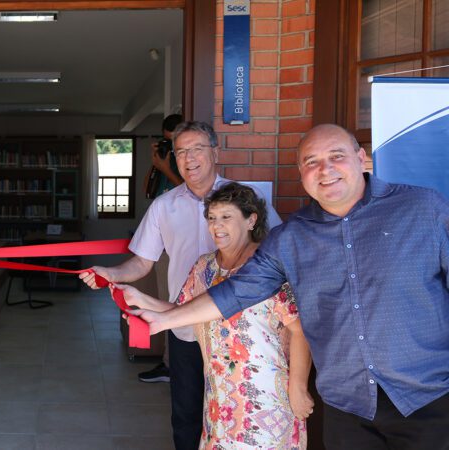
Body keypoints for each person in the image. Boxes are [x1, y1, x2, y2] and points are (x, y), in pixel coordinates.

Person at [130, 124, 449, 449]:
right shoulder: (291, 237)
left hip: (425, 400)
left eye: (336, 156)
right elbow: (237, 291)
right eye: (311, 161)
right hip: (347, 407)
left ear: (361, 157)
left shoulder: (423, 209)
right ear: (301, 172)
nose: (324, 169)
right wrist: (163, 319)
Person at [80, 121, 282, 450]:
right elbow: (142, 261)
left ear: (215, 152)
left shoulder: (247, 198)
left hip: (240, 335)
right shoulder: (164, 205)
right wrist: (110, 273)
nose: (188, 158)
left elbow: (276, 253)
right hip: (185, 326)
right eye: (181, 151)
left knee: (239, 416)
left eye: (197, 149)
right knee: (186, 414)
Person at [119, 182, 312, 449]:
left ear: (251, 220)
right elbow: (183, 312)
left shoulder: (268, 264)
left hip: (267, 395)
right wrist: (141, 300)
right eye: (211, 218)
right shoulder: (204, 266)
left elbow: (300, 330)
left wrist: (298, 388)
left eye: (226, 217)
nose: (216, 226)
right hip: (220, 396)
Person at [140, 113, 184, 384]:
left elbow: (191, 195)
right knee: (165, 302)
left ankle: (173, 365)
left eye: (174, 144)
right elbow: (148, 191)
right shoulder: (166, 163)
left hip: (182, 243)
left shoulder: (187, 167)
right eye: (167, 143)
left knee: (176, 304)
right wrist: (156, 165)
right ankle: (169, 363)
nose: (171, 149)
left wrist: (168, 169)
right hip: (164, 242)